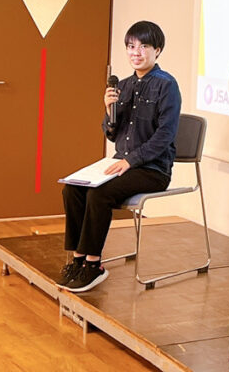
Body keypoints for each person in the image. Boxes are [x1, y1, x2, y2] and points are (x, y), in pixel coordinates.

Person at [58, 20, 181, 293]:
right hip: (121, 164)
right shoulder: (123, 86)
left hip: (152, 170)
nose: (136, 52)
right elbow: (113, 135)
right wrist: (108, 111)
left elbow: (165, 135)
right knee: (73, 189)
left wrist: (130, 161)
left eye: (144, 46)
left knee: (99, 194)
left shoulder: (167, 86)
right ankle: (77, 259)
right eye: (131, 46)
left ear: (157, 50)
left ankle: (93, 265)